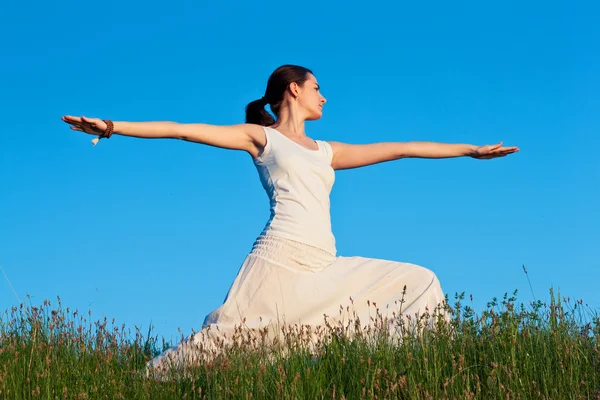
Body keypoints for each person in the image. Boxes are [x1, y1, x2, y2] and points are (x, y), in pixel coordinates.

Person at [62, 64, 519, 376]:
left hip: (325, 264)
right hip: (278, 262)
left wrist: (470, 151)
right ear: (294, 89)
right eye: (317, 87)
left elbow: (401, 147)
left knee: (418, 281)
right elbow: (182, 129)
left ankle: (425, 371)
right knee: (226, 347)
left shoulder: (327, 151)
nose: (324, 96)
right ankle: (146, 382)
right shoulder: (261, 137)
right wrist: (111, 126)